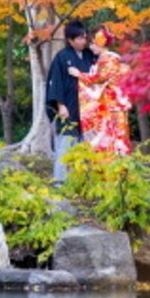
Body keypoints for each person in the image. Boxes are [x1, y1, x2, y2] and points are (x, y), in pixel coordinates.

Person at [45, 20, 96, 182]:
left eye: (84, 37)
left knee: (86, 144)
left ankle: (80, 181)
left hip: (89, 108)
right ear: (70, 40)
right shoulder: (61, 57)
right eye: (79, 38)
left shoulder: (90, 55)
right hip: (69, 106)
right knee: (66, 143)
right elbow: (55, 82)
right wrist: (60, 105)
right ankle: (60, 181)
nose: (83, 41)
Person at [69, 26, 132, 155]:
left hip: (113, 106)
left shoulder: (109, 59)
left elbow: (99, 79)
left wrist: (78, 74)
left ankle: (115, 171)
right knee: (108, 137)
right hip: (109, 105)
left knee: (114, 138)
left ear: (99, 43)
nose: (90, 47)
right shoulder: (105, 59)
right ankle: (109, 170)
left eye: (92, 44)